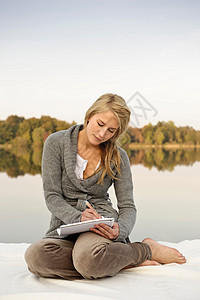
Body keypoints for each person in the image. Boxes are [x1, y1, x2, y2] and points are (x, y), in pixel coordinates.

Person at [25, 93, 186, 280]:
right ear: (89, 116)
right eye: (100, 124)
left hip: (100, 225)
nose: (102, 134)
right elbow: (52, 196)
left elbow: (128, 206)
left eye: (111, 131)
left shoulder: (118, 157)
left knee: (88, 260)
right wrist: (78, 217)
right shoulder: (56, 143)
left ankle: (145, 249)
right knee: (36, 258)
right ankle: (118, 260)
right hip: (66, 223)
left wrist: (121, 229)